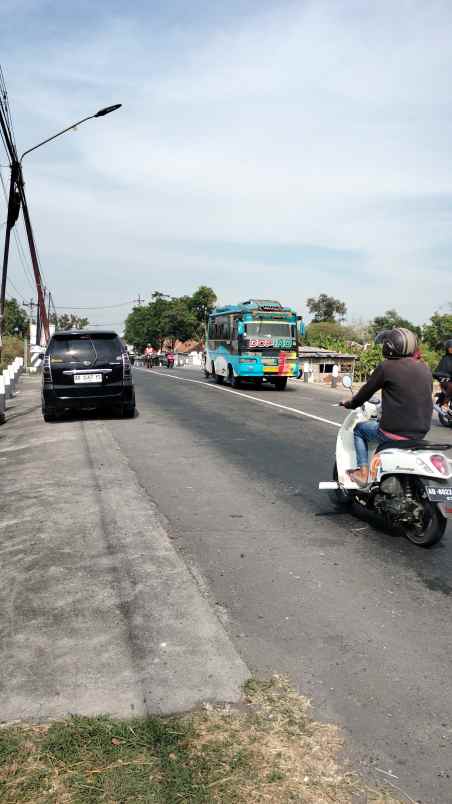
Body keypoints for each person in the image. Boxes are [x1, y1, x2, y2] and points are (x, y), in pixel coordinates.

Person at [340, 328, 433, 487]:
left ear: (389, 346)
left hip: (393, 433)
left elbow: (365, 393)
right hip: (420, 432)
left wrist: (350, 403)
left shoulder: (386, 367)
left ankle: (363, 473)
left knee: (359, 430)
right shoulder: (424, 367)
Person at [433, 339, 452, 408]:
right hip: (445, 380)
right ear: (447, 349)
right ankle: (445, 404)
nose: (451, 349)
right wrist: (446, 375)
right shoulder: (445, 359)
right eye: (450, 348)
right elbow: (437, 372)